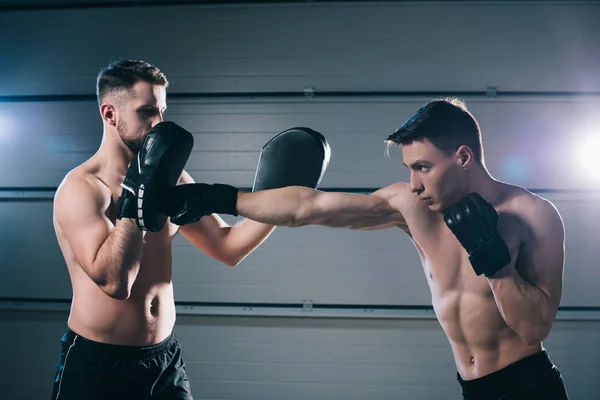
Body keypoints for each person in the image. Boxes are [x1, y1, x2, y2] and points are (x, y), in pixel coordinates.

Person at [163, 98, 569, 399]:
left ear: (462, 156)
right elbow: (309, 205)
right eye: (409, 169)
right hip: (470, 389)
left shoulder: (534, 215)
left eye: (423, 167)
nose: (413, 184)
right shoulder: (412, 207)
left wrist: (494, 262)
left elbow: (536, 328)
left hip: (530, 387)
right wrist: (215, 198)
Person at [50, 59, 329, 399]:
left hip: (163, 361)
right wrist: (139, 197)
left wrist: (278, 201)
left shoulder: (173, 178)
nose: (159, 124)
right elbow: (114, 281)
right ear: (109, 114)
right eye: (147, 112)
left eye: (162, 111)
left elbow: (228, 247)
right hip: (99, 364)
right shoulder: (82, 188)